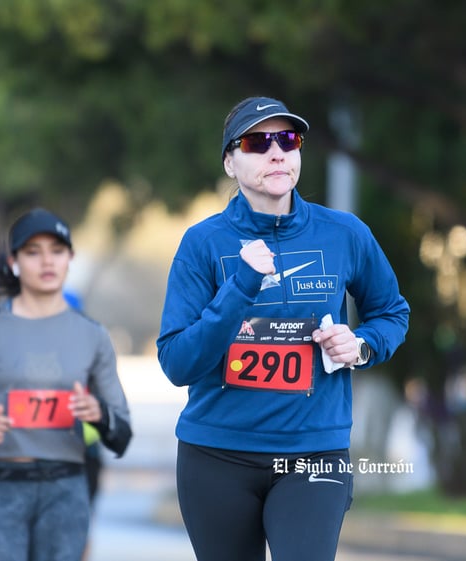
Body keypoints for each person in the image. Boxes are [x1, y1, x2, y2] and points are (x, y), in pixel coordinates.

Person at [156, 96, 410, 561]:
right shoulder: (203, 243)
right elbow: (178, 362)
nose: (277, 152)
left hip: (314, 454)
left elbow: (391, 312)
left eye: (288, 140)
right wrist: (241, 286)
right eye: (258, 142)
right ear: (231, 162)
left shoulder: (345, 234)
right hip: (217, 456)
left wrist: (362, 345)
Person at [0, 208, 132, 561]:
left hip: (65, 491)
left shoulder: (93, 336)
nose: (46, 261)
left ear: (70, 259)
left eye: (57, 251)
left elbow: (122, 432)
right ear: (13, 261)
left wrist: (99, 414)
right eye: (32, 251)